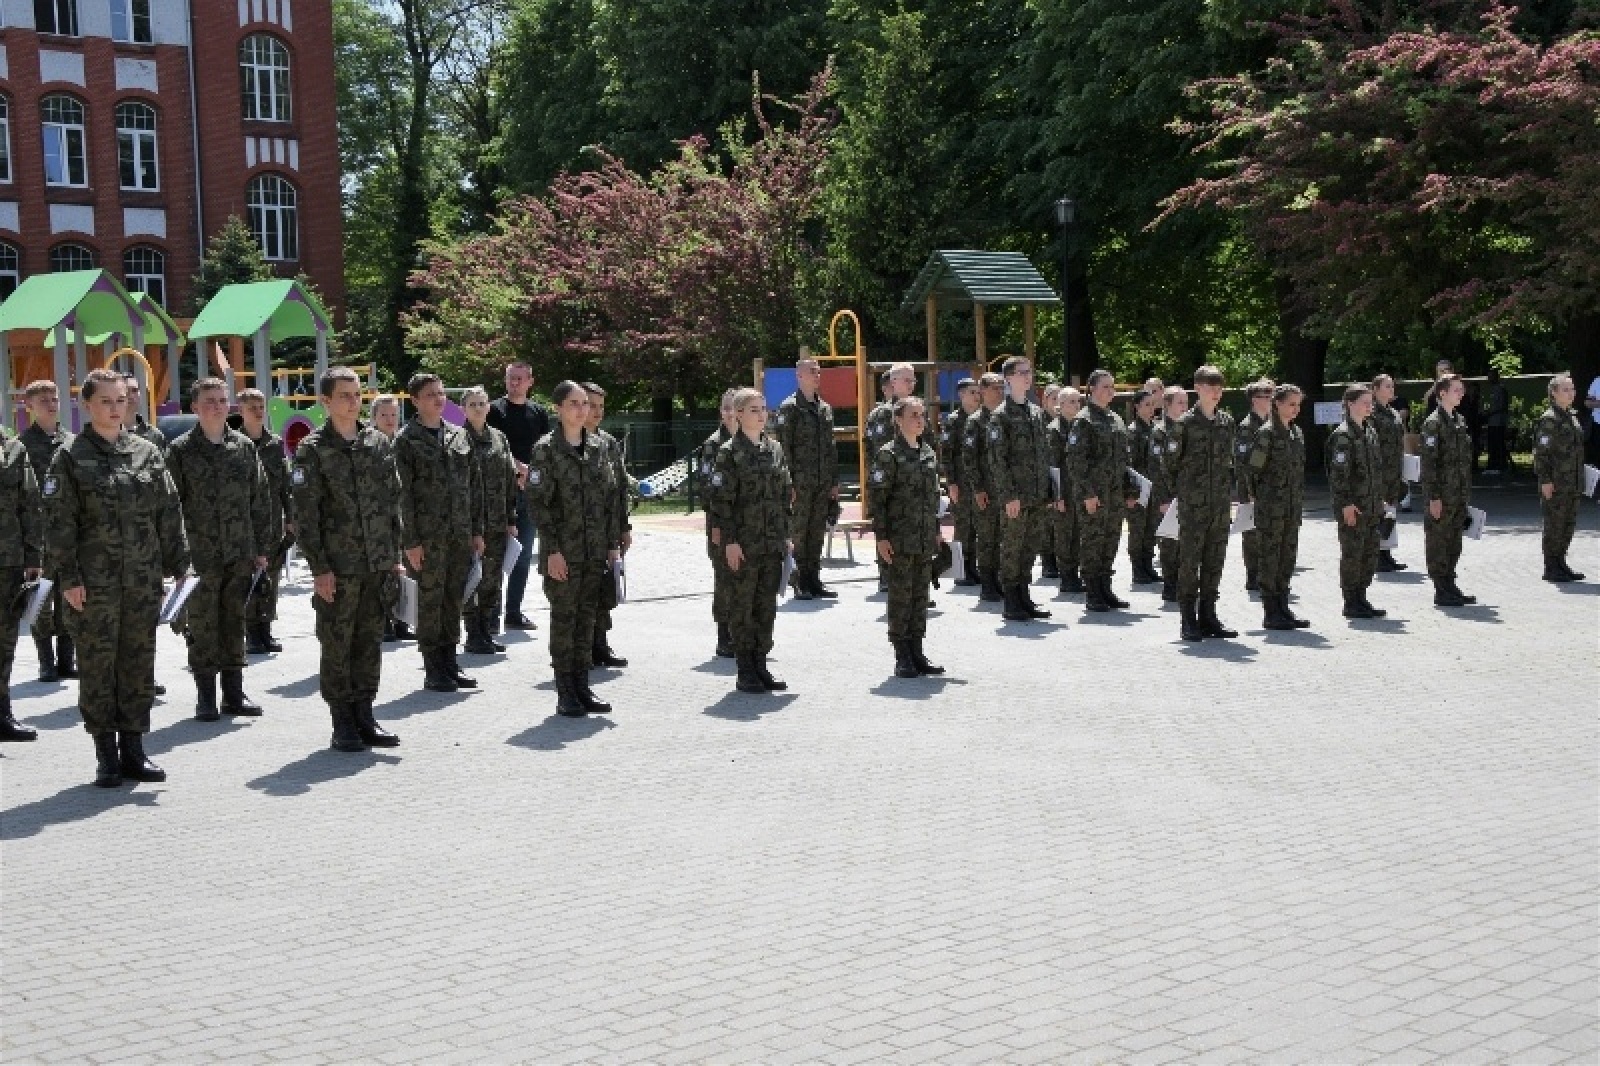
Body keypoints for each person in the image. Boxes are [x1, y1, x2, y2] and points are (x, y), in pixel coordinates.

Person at [43, 368, 190, 786]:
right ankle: (105, 754)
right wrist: (69, 578)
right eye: (105, 401)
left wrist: (181, 566)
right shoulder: (70, 457)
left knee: (138, 666)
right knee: (97, 667)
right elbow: (58, 523)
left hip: (142, 583)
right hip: (93, 587)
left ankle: (135, 748)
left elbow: (168, 511)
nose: (113, 408)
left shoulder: (146, 451)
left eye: (120, 400)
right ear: (86, 405)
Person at [292, 366, 403, 752]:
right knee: (337, 642)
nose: (354, 402)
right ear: (325, 401)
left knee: (369, 640)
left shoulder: (377, 443)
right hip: (338, 567)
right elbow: (306, 517)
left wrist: (393, 555)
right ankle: (342, 721)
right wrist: (319, 568)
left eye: (357, 395)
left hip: (376, 563)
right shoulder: (313, 449)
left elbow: (393, 503)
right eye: (345, 395)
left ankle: (365, 714)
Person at [165, 378, 272, 720]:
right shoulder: (180, 451)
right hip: (200, 556)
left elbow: (260, 499)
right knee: (202, 626)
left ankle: (234, 694)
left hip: (239, 552)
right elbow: (170, 507)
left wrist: (260, 548)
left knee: (234, 621)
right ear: (194, 407)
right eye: (209, 400)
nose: (217, 405)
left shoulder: (243, 447)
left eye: (222, 400)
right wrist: (177, 558)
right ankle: (206, 697)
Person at [528, 382, 621, 716]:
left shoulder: (598, 447)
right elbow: (539, 505)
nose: (582, 410)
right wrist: (551, 550)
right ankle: (565, 691)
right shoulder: (546, 450)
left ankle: (583, 686)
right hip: (563, 553)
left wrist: (611, 545)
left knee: (587, 621)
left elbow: (609, 498)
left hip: (594, 551)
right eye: (573, 403)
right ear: (558, 408)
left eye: (585, 403)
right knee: (565, 622)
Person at [394, 373, 485, 693]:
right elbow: (402, 496)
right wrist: (411, 542)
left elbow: (473, 487)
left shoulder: (460, 436)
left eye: (441, 393)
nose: (438, 399)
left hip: (459, 535)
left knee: (453, 601)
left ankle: (450, 662)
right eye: (430, 394)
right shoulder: (406, 441)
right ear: (415, 400)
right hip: (428, 539)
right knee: (430, 604)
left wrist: (477, 530)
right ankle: (433, 668)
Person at [709, 388, 792, 694]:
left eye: (763, 408)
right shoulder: (729, 452)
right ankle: (746, 670)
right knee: (743, 607)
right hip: (743, 544)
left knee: (766, 607)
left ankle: (761, 664)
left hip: (771, 544)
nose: (761, 414)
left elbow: (785, 496)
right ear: (739, 414)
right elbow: (722, 503)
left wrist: (786, 536)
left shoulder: (775, 449)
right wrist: (729, 541)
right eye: (754, 409)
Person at [873, 396, 945, 678]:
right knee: (901, 597)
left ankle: (917, 649)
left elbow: (933, 497)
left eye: (922, 415)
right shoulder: (888, 454)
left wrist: (937, 532)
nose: (919, 420)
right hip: (900, 538)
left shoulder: (928, 452)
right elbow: (878, 500)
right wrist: (881, 537)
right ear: (898, 420)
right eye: (913, 415)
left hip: (924, 536)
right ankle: (901, 653)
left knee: (920, 596)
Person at [1172, 366, 1238, 641]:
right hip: (1194, 507)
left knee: (1215, 562)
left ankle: (1209, 616)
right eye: (1210, 387)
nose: (1216, 392)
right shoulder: (1185, 424)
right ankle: (1188, 619)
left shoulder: (1226, 422)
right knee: (1190, 563)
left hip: (1220, 506)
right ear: (1197, 388)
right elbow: (1170, 464)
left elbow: (1230, 464)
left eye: (1219, 387)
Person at [986, 357, 1052, 622]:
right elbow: (997, 460)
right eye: (1022, 373)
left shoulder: (1036, 413)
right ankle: (1011, 600)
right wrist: (1008, 496)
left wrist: (1048, 491)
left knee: (1030, 546)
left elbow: (1044, 456)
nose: (1028, 377)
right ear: (1009, 378)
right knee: (1012, 547)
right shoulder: (1001, 416)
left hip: (1036, 494)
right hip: (1016, 496)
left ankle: (1024, 595)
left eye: (1029, 372)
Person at [1065, 369, 1136, 612]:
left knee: (1111, 540)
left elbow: (1123, 460)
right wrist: (1087, 494)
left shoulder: (1115, 419)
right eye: (1105, 387)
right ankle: (1093, 591)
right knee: (1093, 542)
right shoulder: (1084, 420)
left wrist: (1129, 490)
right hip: (1094, 493)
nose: (1110, 391)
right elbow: (1076, 461)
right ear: (1091, 389)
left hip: (1114, 493)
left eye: (1112, 386)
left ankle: (1105, 588)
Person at [19, 381, 76, 681]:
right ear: (29, 406)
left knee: (69, 597)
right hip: (38, 536)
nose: (51, 404)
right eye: (43, 400)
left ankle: (68, 660)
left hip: (67, 534)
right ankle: (46, 662)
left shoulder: (72, 442)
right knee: (40, 600)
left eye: (54, 398)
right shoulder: (23, 444)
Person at [487, 362, 549, 632]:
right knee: (495, 556)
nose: (514, 383)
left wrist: (531, 473)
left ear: (530, 382)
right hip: (499, 493)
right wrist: (515, 466)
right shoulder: (492, 410)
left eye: (520, 379)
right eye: (511, 378)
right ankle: (490, 614)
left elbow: (547, 450)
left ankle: (513, 612)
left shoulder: (539, 413)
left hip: (528, 492)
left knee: (521, 554)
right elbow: (488, 445)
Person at [1244, 384, 1309, 629]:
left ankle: (1283, 606)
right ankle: (1271, 611)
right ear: (1277, 404)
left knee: (1287, 558)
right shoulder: (1267, 433)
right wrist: (1262, 497)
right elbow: (1252, 470)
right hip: (1271, 509)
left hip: (1291, 508)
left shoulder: (1296, 433)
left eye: (1298, 404)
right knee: (1270, 559)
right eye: (1291, 404)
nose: (1295, 409)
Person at [774, 358, 840, 600]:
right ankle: (798, 579)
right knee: (799, 532)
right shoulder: (789, 407)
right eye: (812, 371)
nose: (817, 375)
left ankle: (814, 579)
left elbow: (831, 447)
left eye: (818, 372)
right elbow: (783, 449)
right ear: (799, 376)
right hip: (799, 483)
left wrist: (834, 481)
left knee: (817, 531)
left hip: (822, 482)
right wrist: (788, 483)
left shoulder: (824, 408)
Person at [461, 386, 520, 654]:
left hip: (497, 522)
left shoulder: (499, 438)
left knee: (493, 581)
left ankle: (486, 630)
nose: (478, 408)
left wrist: (511, 518)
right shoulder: (457, 439)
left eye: (482, 403)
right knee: (474, 579)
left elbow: (509, 481)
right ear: (463, 408)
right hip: (472, 524)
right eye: (472, 403)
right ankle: (473, 634)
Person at [237, 389, 295, 654]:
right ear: (241, 410)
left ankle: (266, 629)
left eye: (261, 406)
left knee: (270, 578)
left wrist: (291, 517)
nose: (259, 412)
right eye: (252, 407)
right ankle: (251, 633)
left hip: (272, 523)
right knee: (249, 578)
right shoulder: (234, 443)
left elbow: (285, 485)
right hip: (244, 525)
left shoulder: (273, 444)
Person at [582, 383, 632, 669]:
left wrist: (623, 527)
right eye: (591, 405)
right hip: (580, 533)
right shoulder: (566, 442)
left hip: (607, 529)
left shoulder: (609, 443)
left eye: (601, 406)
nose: (597, 412)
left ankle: (600, 643)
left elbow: (620, 489)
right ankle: (583, 648)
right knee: (584, 593)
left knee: (605, 588)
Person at [1327, 385, 1387, 619]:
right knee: (1352, 554)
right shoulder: (1343, 435)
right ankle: (1351, 601)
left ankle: (1362, 597)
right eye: (1364, 402)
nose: (1369, 406)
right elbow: (1338, 475)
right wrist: (1345, 505)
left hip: (1371, 505)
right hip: (1354, 507)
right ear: (1350, 404)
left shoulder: (1369, 431)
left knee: (1369, 553)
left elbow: (1375, 470)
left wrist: (1379, 499)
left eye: (1370, 401)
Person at [1420, 373, 1477, 607]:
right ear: (1442, 393)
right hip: (1442, 495)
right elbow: (1429, 464)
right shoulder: (1433, 423)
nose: (1461, 394)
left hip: (1458, 494)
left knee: (1454, 541)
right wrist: (1433, 497)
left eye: (1462, 390)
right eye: (1456, 390)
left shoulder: (1459, 420)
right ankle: (1440, 588)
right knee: (1438, 541)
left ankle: (1450, 583)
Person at [0, 430, 41, 741]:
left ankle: (2, 713)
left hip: (8, 561)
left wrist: (33, 554)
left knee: (5, 642)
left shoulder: (13, 450)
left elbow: (29, 503)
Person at [866, 365, 917, 592]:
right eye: (906, 380)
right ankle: (887, 575)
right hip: (891, 484)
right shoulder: (881, 415)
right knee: (888, 529)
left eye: (912, 380)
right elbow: (874, 450)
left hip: (916, 485)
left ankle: (915, 583)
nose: (911, 384)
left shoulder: (917, 411)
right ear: (893, 382)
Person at [1533, 374, 1587, 582]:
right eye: (1565, 389)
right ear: (1554, 393)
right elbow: (1541, 453)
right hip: (1556, 482)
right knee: (1555, 524)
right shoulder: (1549, 419)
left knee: (1568, 524)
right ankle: (1551, 566)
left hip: (1572, 482)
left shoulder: (1571, 417)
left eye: (1572, 389)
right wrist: (1545, 480)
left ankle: (1561, 562)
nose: (1571, 393)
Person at [698, 390, 739, 657]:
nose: (730, 413)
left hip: (751, 527)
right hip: (722, 526)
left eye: (735, 408)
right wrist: (715, 526)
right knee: (725, 581)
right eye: (725, 408)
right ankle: (724, 636)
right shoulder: (714, 445)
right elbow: (707, 489)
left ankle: (745, 634)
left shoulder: (757, 441)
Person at [962, 374, 1006, 603]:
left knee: (1005, 538)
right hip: (986, 491)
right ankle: (988, 584)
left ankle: (1001, 581)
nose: (999, 392)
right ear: (982, 391)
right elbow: (969, 459)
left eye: (1002, 387)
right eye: (995, 388)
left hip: (1006, 490)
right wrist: (978, 489)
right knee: (987, 538)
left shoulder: (1007, 417)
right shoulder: (976, 421)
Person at [1149, 385, 1190, 603]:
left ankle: (1185, 584)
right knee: (1169, 544)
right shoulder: (1159, 431)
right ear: (1167, 405)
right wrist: (1163, 500)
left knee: (1187, 543)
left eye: (1186, 402)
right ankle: (1170, 584)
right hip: (1168, 496)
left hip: (1189, 495)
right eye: (1180, 402)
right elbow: (1156, 469)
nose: (1185, 407)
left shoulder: (1189, 428)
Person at [1235, 379, 1275, 591]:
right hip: (1251, 491)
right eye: (1265, 397)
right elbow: (1242, 463)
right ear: (1254, 400)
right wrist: (1250, 491)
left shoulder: (1272, 424)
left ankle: (1266, 574)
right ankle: (1253, 575)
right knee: (1251, 534)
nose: (1270, 400)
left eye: (1271, 396)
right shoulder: (1247, 427)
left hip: (1269, 490)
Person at [942, 378, 981, 587]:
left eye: (978, 392)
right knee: (962, 527)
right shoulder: (954, 420)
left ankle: (972, 568)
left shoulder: (983, 417)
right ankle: (960, 571)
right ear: (962, 395)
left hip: (978, 483)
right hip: (961, 482)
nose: (977, 396)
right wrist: (952, 483)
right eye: (972, 392)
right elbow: (947, 454)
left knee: (978, 526)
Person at [1047, 386, 1086, 594]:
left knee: (1078, 532)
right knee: (1064, 534)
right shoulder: (1054, 429)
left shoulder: (1080, 427)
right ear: (1060, 405)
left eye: (1078, 401)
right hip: (1064, 489)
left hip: (1078, 489)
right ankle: (1066, 576)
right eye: (1071, 401)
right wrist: (1057, 495)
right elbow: (1053, 465)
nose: (1076, 405)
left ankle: (1075, 573)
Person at [1369, 375, 1410, 573]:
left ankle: (1386, 554)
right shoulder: (1371, 412)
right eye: (1387, 386)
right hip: (1380, 471)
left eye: (1393, 386)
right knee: (1379, 512)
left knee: (1390, 512)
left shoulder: (1393, 413)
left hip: (1394, 470)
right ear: (1375, 389)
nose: (1391, 389)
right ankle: (1376, 555)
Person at [1126, 388, 1161, 586]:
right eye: (1146, 405)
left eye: (1152, 405)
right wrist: (1131, 493)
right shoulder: (1133, 432)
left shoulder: (1155, 430)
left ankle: (1148, 565)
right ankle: (1137, 569)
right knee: (1137, 530)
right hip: (1138, 490)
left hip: (1153, 490)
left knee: (1151, 529)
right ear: (1137, 407)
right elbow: (1129, 465)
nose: (1150, 409)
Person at [1484, 368, 1510, 474]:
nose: (1489, 379)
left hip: (1498, 421)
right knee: (1492, 443)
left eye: (1491, 376)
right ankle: (1493, 464)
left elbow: (1502, 406)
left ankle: (1500, 464)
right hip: (1492, 421)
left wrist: (1490, 412)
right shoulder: (1493, 390)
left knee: (1498, 443)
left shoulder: (1500, 389)